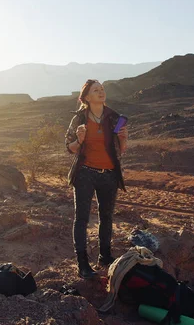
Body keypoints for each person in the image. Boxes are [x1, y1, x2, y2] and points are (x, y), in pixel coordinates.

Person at [64, 79, 128, 278]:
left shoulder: (114, 118)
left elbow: (121, 150)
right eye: (96, 90)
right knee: (81, 218)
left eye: (102, 89)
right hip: (84, 173)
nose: (101, 92)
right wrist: (79, 140)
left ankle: (105, 257)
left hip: (109, 174)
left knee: (106, 217)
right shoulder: (79, 119)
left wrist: (124, 138)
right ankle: (83, 264)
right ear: (86, 97)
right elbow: (69, 148)